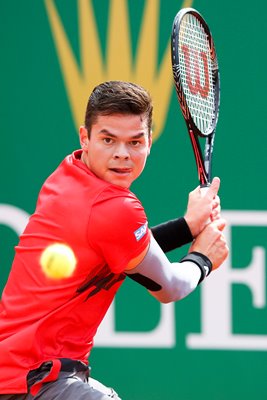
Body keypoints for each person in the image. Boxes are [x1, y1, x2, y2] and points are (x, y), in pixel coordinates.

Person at [0, 81, 228, 399]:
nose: (122, 154)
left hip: (25, 373)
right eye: (108, 140)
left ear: (150, 142)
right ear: (86, 138)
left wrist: (188, 226)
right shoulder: (114, 208)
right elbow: (171, 286)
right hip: (36, 379)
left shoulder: (68, 174)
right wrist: (202, 258)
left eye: (135, 142)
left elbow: (125, 251)